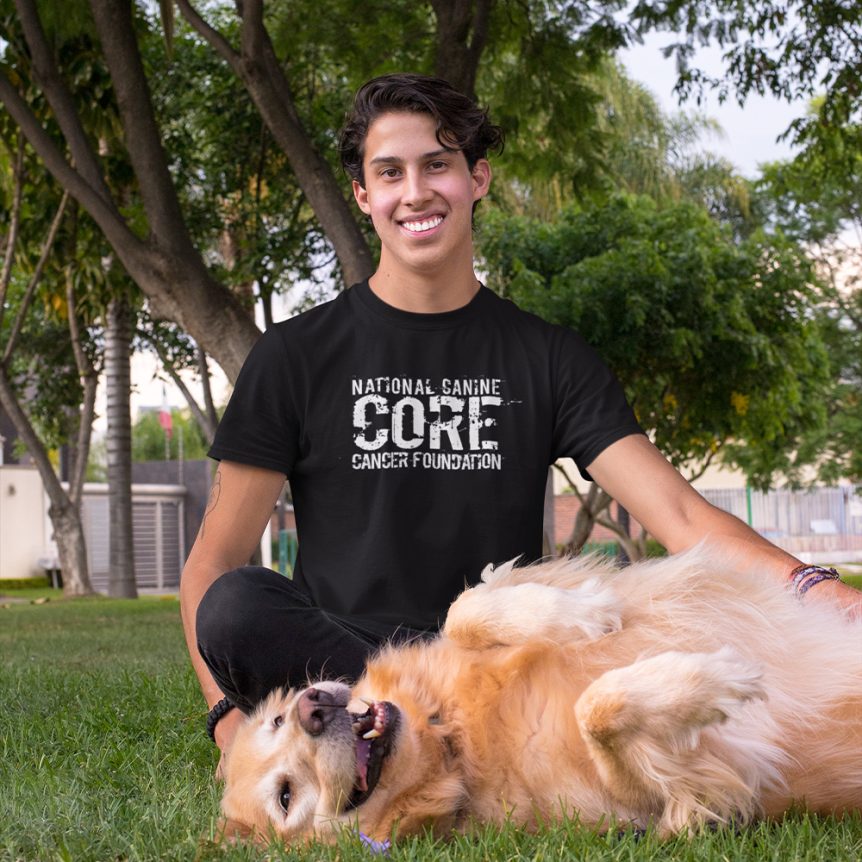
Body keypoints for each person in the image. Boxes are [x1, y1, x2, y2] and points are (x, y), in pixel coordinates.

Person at [180, 73, 861, 770]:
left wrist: (819, 590)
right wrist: (228, 720)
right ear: (363, 195)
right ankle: (428, 745)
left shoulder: (547, 356)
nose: (415, 192)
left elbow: (680, 515)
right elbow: (214, 561)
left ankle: (464, 753)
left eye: (437, 165)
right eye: (390, 173)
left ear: (478, 178)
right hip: (358, 677)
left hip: (505, 665)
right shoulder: (296, 355)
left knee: (660, 620)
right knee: (236, 606)